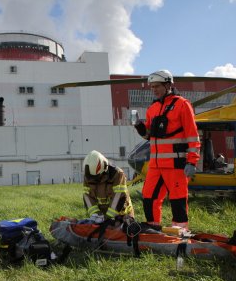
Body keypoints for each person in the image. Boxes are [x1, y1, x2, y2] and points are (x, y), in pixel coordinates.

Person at [134, 70, 200, 229]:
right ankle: (153, 228)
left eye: (157, 86)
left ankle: (180, 232)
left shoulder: (182, 104)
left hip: (176, 164)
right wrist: (139, 127)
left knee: (178, 200)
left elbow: (193, 136)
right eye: (151, 87)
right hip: (155, 165)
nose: (154, 90)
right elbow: (150, 136)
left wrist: (192, 162)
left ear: (168, 85)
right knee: (149, 197)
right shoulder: (152, 108)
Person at [83, 150, 134, 224]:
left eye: (97, 177)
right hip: (101, 216)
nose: (95, 180)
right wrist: (96, 214)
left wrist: (107, 217)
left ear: (104, 169)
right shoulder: (89, 176)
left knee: (124, 233)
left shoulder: (117, 174)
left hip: (122, 214)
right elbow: (87, 197)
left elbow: (118, 197)